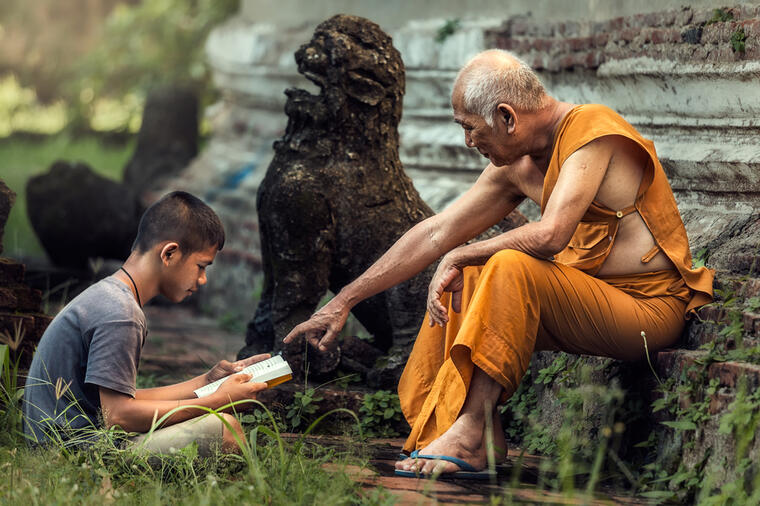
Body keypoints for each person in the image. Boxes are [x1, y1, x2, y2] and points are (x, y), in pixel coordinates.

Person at [282, 49, 714, 478]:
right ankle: (480, 433)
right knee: (467, 279)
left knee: (506, 264)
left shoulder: (591, 130)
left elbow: (550, 235)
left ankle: (469, 429)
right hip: (587, 302)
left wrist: (461, 252)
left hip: (648, 310)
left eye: (471, 128)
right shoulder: (517, 163)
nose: (468, 142)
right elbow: (437, 232)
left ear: (507, 117)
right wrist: (342, 301)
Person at [24, 191, 269, 455]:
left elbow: (124, 400)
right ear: (169, 254)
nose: (202, 280)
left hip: (58, 441)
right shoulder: (121, 314)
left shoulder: (111, 296)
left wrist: (207, 382)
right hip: (70, 451)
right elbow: (118, 416)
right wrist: (218, 402)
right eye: (201, 266)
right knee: (225, 428)